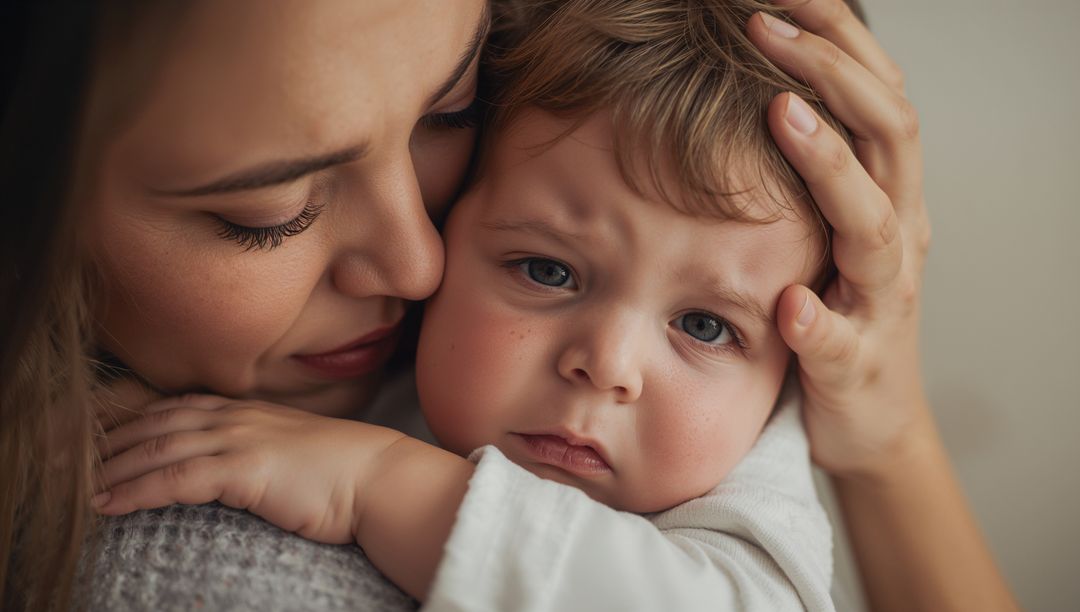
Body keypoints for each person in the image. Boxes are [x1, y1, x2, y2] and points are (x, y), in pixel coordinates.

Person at [0, 0, 1017, 611]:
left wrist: (380, 486)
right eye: (272, 208)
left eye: (446, 115)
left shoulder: (742, 477)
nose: (418, 263)